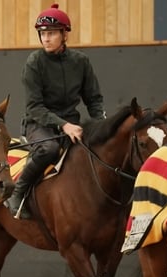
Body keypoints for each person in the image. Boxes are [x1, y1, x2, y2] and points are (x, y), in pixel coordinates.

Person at [6, 3, 105, 219]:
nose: (45, 39)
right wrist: (63, 125)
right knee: (49, 149)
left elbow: (94, 100)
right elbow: (34, 107)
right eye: (42, 34)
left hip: (72, 124)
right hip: (39, 125)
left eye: (51, 33)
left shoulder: (81, 62)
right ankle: (18, 193)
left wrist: (101, 126)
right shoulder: (34, 62)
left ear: (64, 35)